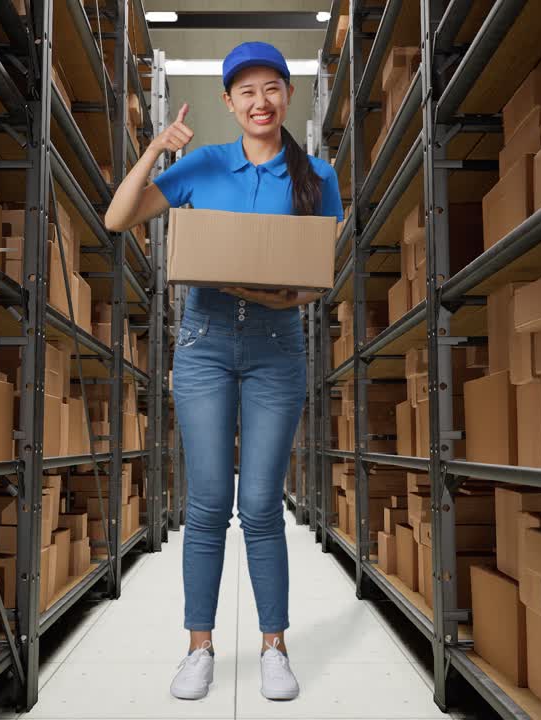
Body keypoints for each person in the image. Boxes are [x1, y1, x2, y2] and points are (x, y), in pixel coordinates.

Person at [105, 41, 343, 701]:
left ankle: (274, 646)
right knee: (208, 505)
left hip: (277, 345)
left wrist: (284, 296)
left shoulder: (316, 176)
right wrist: (155, 149)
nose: (260, 102)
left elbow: (316, 274)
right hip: (205, 342)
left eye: (272, 88)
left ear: (287, 97)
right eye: (246, 91)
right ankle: (199, 648)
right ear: (228, 102)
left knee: (262, 505)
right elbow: (117, 217)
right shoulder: (203, 166)